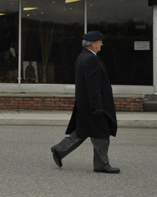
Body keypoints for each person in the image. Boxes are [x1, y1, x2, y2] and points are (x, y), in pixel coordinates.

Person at [51, 31, 120, 173]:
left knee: (83, 131)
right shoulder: (91, 60)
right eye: (100, 42)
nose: (102, 44)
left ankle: (59, 150)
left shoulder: (82, 57)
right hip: (92, 106)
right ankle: (102, 165)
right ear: (93, 43)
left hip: (85, 105)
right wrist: (97, 106)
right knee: (101, 133)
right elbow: (92, 84)